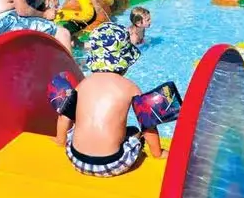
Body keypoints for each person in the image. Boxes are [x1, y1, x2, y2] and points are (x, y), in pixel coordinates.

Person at [53, 23, 166, 177]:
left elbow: (64, 117)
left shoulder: (83, 84)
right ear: (125, 62)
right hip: (112, 163)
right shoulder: (130, 87)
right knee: (135, 132)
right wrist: (158, 153)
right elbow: (148, 126)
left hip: (76, 159)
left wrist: (60, 142)